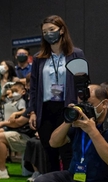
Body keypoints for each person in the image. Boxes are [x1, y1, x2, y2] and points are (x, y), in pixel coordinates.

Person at [28, 15, 86, 173]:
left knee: (67, 151)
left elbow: (82, 83)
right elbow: (34, 87)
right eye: (44, 32)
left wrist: (79, 105)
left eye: (52, 29)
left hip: (67, 107)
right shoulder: (39, 58)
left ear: (61, 30)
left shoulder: (76, 54)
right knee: (49, 151)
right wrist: (32, 111)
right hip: (45, 109)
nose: (48, 34)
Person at [0, 82, 34, 179]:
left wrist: (4, 123)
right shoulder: (20, 101)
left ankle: (1, 169)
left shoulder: (26, 103)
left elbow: (18, 123)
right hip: (19, 131)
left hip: (27, 135)